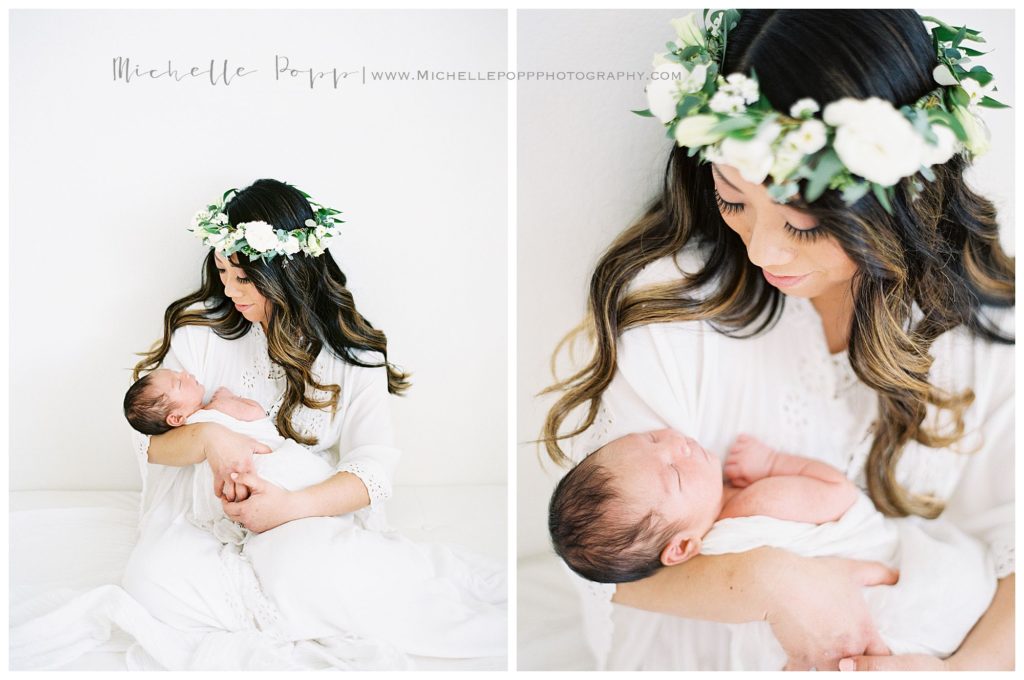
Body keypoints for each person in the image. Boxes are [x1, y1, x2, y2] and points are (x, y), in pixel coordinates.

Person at [541, 9, 1013, 672]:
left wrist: (959, 672)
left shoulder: (980, 333)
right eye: (734, 201)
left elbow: (1012, 544)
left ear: (898, 202)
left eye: (805, 224)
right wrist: (769, 582)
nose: (762, 248)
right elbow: (611, 560)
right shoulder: (670, 313)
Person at [11, 179, 506, 671]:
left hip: (301, 507)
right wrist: (212, 438)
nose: (228, 289)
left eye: (242, 279)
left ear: (289, 274)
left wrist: (290, 507)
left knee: (300, 567)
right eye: (222, 272)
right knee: (152, 582)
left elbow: (373, 468)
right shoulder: (202, 334)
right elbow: (151, 445)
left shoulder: (354, 356)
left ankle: (290, 593)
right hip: (207, 513)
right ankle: (281, 609)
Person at [547, 428, 996, 669]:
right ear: (681, 547)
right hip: (917, 592)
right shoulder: (758, 505)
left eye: (650, 439)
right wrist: (775, 465)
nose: (677, 444)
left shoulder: (709, 559)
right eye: (675, 474)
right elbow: (837, 492)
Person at [122, 369, 338, 544]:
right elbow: (256, 413)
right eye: (178, 383)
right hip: (261, 461)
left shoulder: (188, 431)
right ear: (176, 418)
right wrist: (229, 398)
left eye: (178, 373)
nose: (185, 374)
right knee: (294, 471)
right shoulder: (217, 408)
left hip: (221, 494)